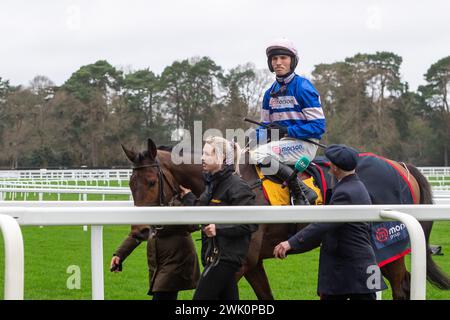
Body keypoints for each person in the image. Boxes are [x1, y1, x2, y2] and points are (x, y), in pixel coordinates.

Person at [273, 144, 387, 300]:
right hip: (356, 265)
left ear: (335, 168)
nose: (329, 166)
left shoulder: (346, 192)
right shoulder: (354, 186)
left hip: (351, 267)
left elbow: (323, 224)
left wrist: (290, 243)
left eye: (331, 164)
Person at [179, 136, 258, 300]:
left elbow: (250, 224)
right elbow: (203, 212)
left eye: (207, 154)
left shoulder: (238, 186)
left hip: (226, 258)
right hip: (213, 255)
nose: (202, 158)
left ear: (221, 157)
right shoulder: (211, 185)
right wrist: (188, 197)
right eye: (203, 153)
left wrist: (218, 228)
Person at [250, 38, 326, 205]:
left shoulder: (303, 87)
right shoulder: (269, 93)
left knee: (259, 154)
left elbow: (319, 127)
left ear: (292, 61)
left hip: (304, 144)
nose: (278, 62)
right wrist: (246, 141)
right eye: (274, 59)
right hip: (282, 143)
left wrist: (287, 131)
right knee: (245, 155)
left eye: (283, 58)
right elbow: (264, 128)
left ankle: (302, 192)